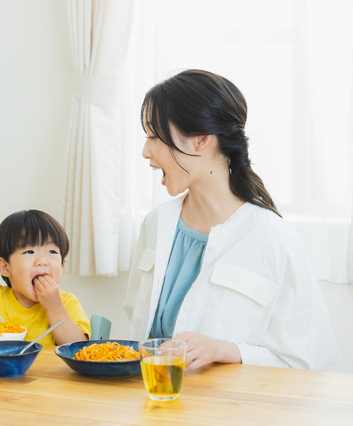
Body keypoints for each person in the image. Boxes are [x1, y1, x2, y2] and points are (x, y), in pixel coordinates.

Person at [123, 69, 340, 372]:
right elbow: (138, 334)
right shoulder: (155, 224)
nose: (146, 151)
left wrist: (225, 350)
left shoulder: (274, 240)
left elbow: (309, 363)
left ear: (201, 139)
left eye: (154, 136)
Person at [0, 209, 90, 346]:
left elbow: (77, 347)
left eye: (52, 251)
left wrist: (55, 307)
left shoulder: (67, 303)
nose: (43, 261)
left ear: (62, 265)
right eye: (30, 252)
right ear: (6, 267)